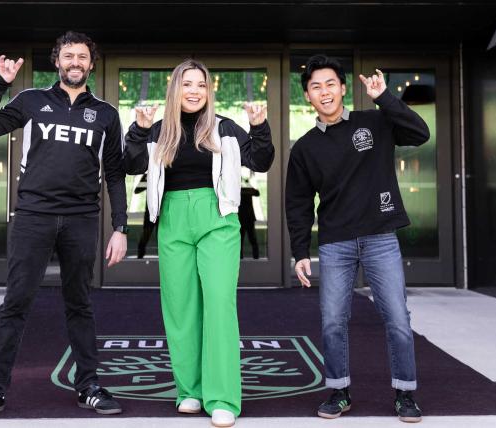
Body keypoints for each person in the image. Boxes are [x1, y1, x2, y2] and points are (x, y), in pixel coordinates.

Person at [0, 31, 128, 421]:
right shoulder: (32, 100)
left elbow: (116, 173)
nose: (75, 62)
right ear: (57, 61)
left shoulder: (105, 114)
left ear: (91, 63)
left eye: (82, 56)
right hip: (33, 217)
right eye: (68, 55)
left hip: (82, 220)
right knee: (16, 304)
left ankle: (88, 386)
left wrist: (120, 227)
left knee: (80, 305)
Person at [123, 59, 274, 427]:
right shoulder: (159, 130)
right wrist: (139, 130)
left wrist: (259, 126)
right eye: (187, 84)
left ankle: (222, 397)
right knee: (180, 307)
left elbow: (262, 159)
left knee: (219, 304)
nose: (194, 91)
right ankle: (189, 391)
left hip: (216, 216)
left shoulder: (223, 127)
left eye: (201, 85)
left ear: (209, 91)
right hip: (173, 218)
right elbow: (129, 164)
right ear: (175, 88)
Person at [285, 55, 429, 423]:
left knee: (397, 316)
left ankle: (405, 394)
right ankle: (339, 390)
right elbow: (298, 203)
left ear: (344, 88)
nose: (324, 91)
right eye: (316, 86)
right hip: (335, 242)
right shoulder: (304, 148)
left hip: (380, 237)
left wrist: (385, 98)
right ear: (308, 96)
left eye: (331, 83)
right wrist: (300, 251)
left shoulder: (375, 121)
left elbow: (419, 133)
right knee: (333, 319)